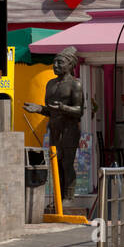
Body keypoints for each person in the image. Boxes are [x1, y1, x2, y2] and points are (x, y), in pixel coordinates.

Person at [22, 47, 84, 199]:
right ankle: (58, 200)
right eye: (54, 63)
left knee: (67, 165)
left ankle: (68, 199)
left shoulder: (75, 85)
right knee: (56, 164)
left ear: (70, 65)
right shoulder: (50, 84)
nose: (55, 66)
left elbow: (79, 111)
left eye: (60, 63)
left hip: (69, 130)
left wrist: (62, 108)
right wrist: (39, 109)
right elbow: (50, 110)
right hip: (55, 130)